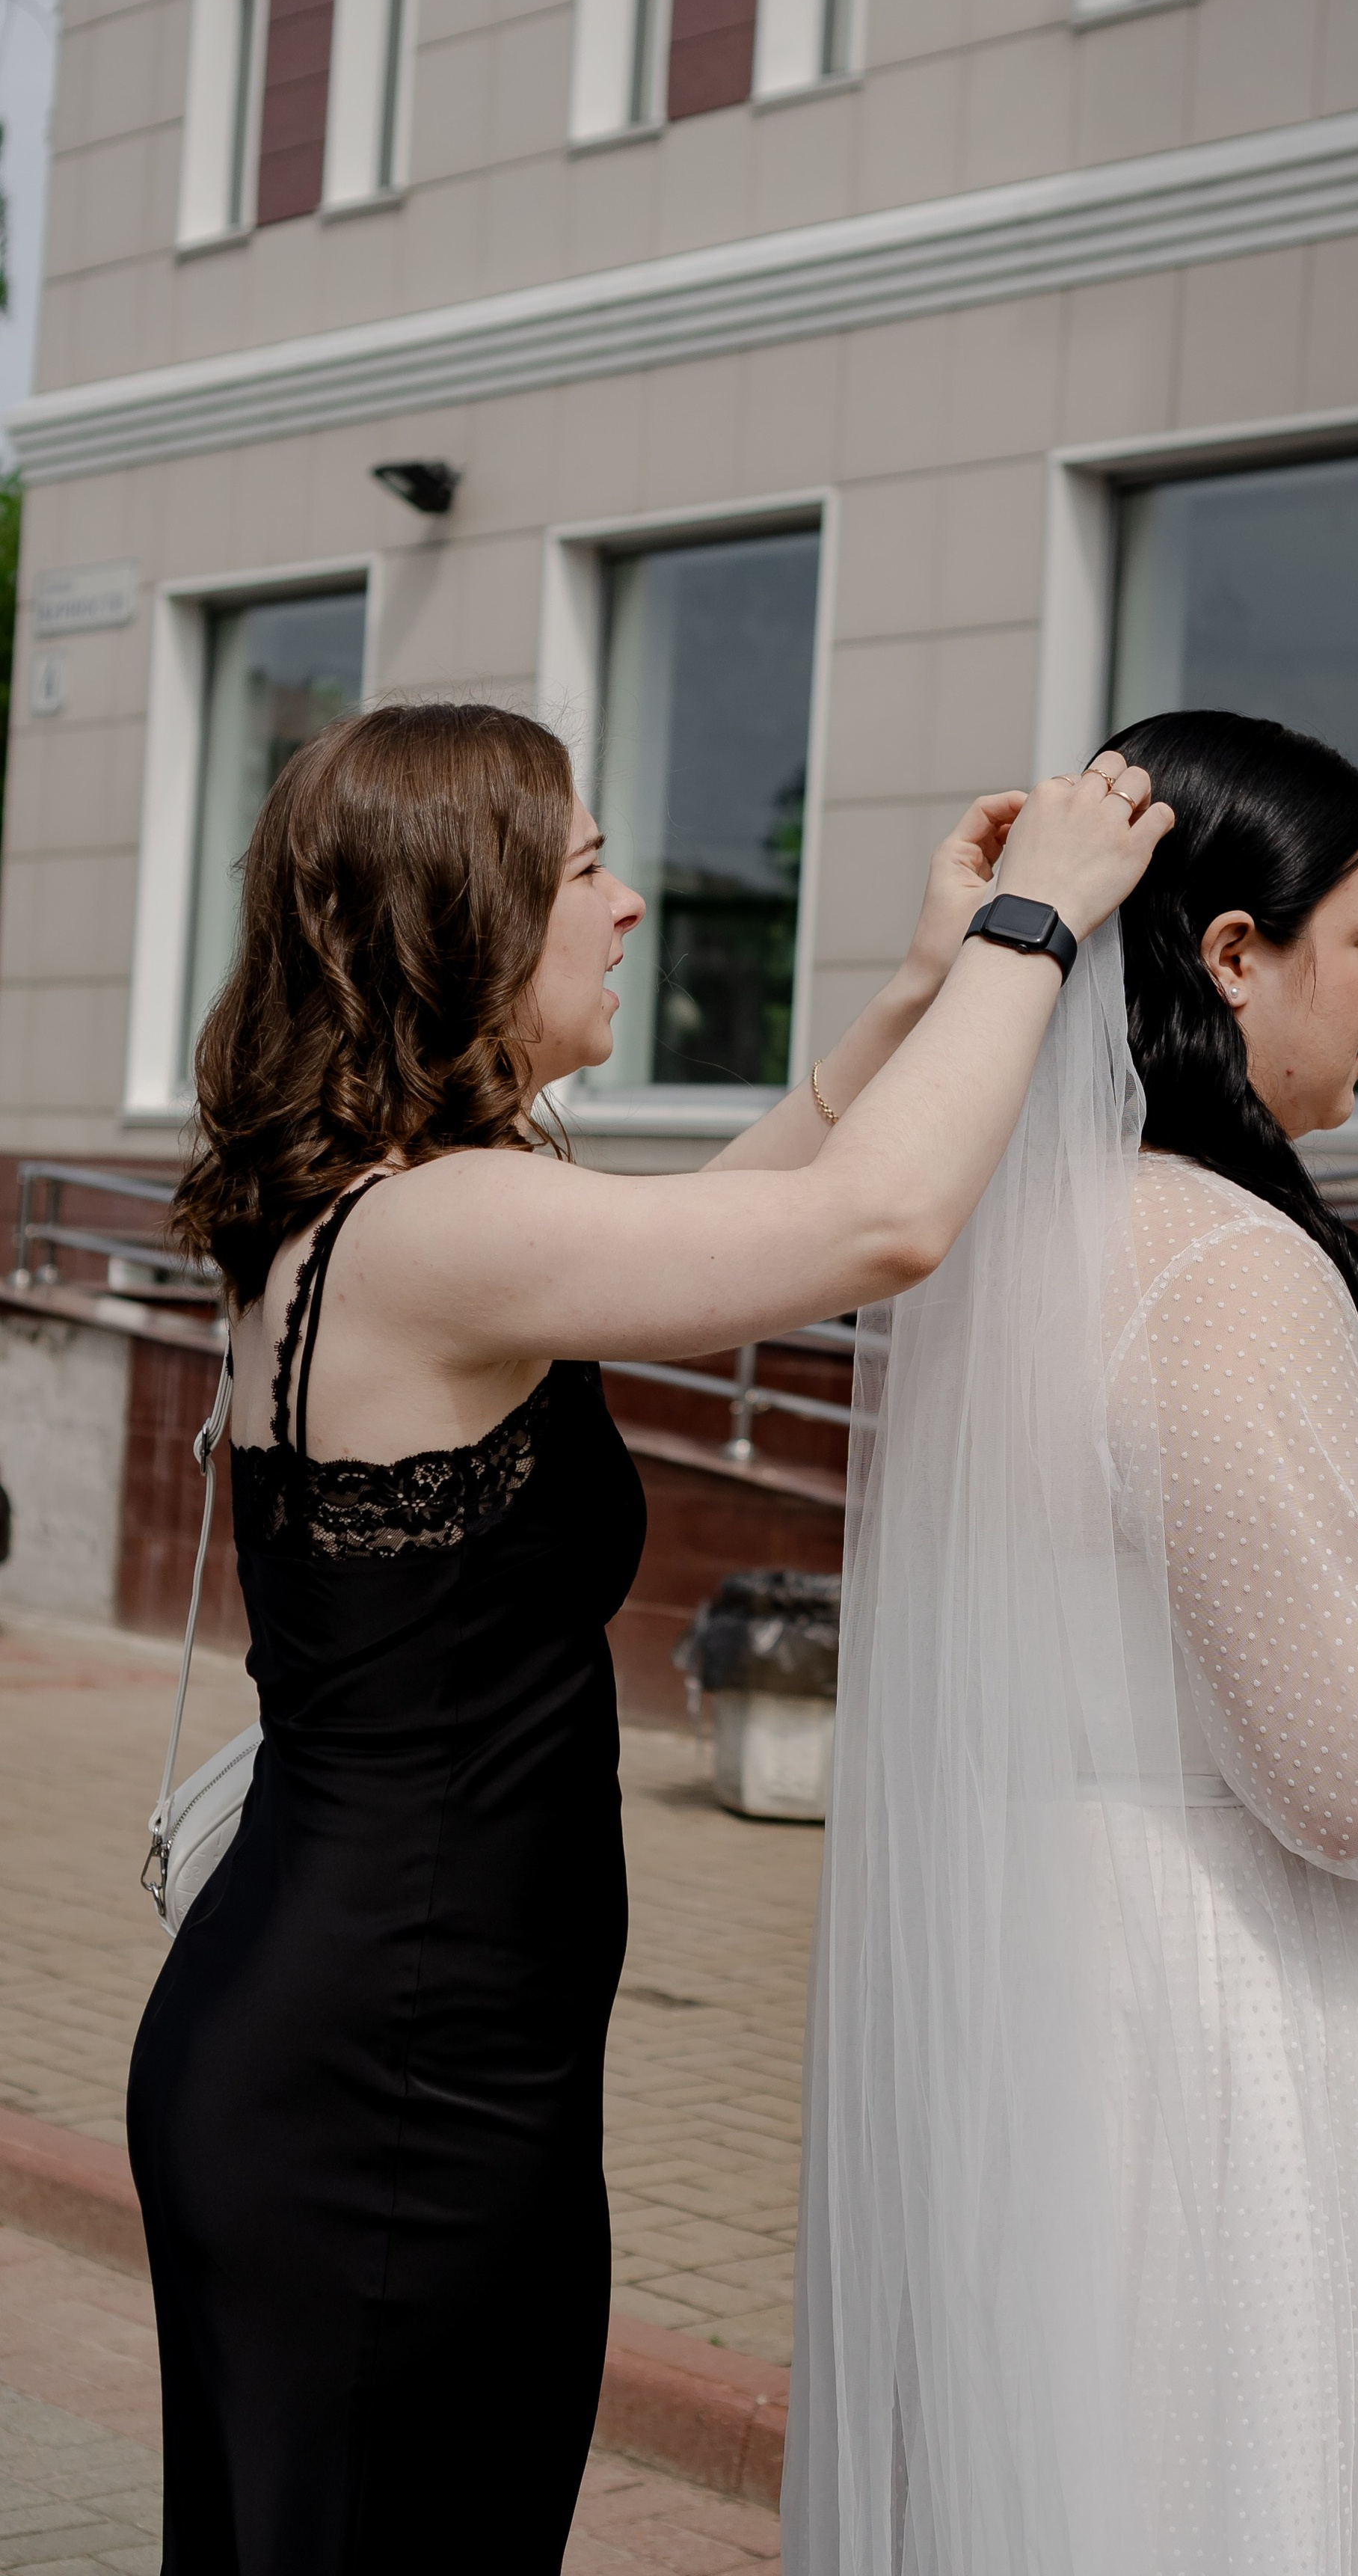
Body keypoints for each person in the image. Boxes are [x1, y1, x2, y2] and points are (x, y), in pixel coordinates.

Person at [126, 699, 1171, 2576]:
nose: (626, 913)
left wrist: (915, 990)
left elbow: (717, 1223)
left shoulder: (395, 1216)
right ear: (465, 918)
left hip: (388, 2044)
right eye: (588, 869)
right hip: (382, 2086)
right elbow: (877, 1226)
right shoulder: (446, 1230)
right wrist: (1040, 920)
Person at [788, 708, 1358, 2576]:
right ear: (1233, 956)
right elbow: (1353, 1762)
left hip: (1068, 1995)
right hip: (1237, 2030)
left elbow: (1156, 1525)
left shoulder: (1026, 1226)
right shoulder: (1226, 1260)